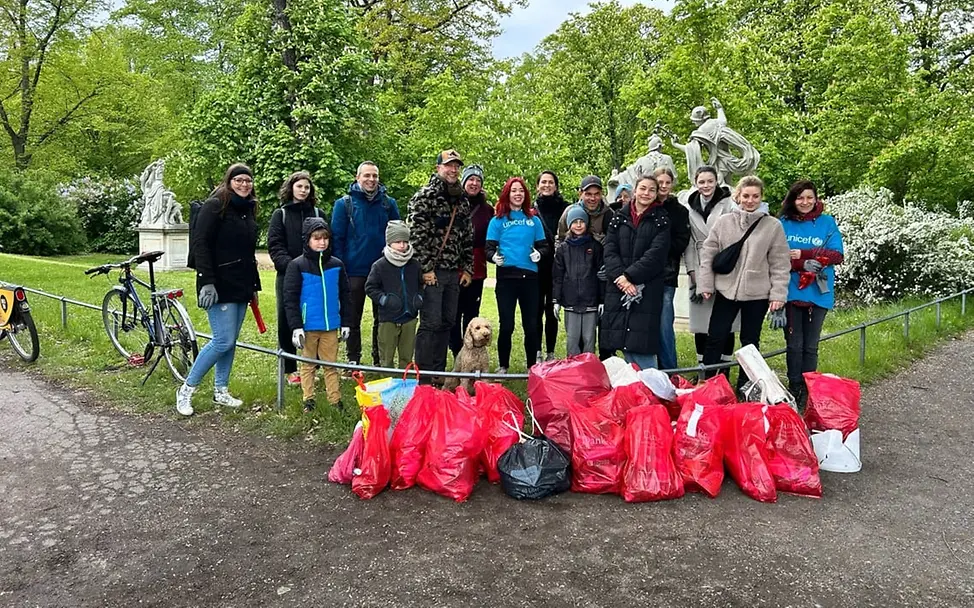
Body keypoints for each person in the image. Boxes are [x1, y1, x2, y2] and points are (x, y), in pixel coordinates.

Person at [176, 163, 261, 417]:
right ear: (229, 181)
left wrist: (253, 286)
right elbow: (200, 244)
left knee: (230, 342)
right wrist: (206, 281)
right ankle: (186, 389)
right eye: (239, 180)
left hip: (241, 283)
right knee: (222, 340)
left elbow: (247, 252)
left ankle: (220, 390)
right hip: (218, 283)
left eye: (248, 180)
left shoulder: (248, 209)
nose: (244, 184)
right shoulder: (215, 205)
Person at [696, 175, 791, 392]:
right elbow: (709, 252)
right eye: (746, 196)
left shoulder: (772, 226)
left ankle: (746, 386)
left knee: (750, 342)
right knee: (715, 337)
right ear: (738, 196)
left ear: (761, 197)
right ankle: (709, 384)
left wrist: (778, 295)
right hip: (726, 290)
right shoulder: (724, 222)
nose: (750, 200)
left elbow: (779, 262)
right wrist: (706, 285)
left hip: (757, 293)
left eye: (755, 196)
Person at [407, 150, 474, 384]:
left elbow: (467, 236)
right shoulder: (425, 196)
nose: (453, 170)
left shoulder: (462, 199)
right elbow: (416, 237)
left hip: (453, 272)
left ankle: (439, 373)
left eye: (456, 166)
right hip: (432, 272)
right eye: (448, 165)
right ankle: (423, 375)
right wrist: (425, 269)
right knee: (430, 323)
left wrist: (467, 268)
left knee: (447, 322)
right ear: (438, 168)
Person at [779, 180, 844, 406]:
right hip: (790, 291)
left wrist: (804, 254)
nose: (805, 202)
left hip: (819, 292)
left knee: (811, 345)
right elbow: (775, 256)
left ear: (816, 198)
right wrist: (799, 265)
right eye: (800, 198)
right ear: (792, 200)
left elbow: (837, 255)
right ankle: (794, 385)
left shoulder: (827, 222)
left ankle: (809, 386)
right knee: (794, 344)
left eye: (809, 197)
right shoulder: (783, 223)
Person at [331, 161, 400, 367]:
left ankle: (379, 359)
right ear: (357, 177)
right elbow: (337, 238)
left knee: (383, 318)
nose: (371, 180)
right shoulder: (344, 204)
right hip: (353, 270)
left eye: (375, 176)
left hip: (383, 270)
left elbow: (397, 236)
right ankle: (353, 359)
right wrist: (340, 269)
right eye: (367, 176)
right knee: (353, 317)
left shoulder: (389, 204)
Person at [600, 175, 671, 370]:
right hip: (619, 287)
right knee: (621, 338)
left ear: (656, 194)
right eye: (643, 188)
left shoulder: (661, 220)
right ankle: (627, 391)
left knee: (642, 342)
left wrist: (630, 276)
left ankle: (648, 389)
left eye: (651, 190)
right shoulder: (618, 217)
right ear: (635, 190)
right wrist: (621, 279)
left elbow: (656, 255)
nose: (646, 193)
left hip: (646, 287)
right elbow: (610, 250)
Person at [284, 218, 352, 412]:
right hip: (308, 326)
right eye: (316, 238)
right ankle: (309, 399)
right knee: (308, 365)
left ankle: (335, 400)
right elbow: (290, 299)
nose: (322, 242)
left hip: (331, 326)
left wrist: (346, 322)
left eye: (325, 238)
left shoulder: (337, 265)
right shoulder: (296, 266)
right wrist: (296, 327)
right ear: (307, 240)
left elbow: (345, 295)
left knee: (331, 365)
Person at [267, 171, 325, 385]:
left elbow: (326, 243)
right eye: (299, 186)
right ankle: (290, 369)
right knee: (288, 320)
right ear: (291, 188)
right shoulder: (280, 214)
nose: (303, 190)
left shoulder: (318, 213)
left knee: (314, 319)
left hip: (314, 276)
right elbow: (275, 246)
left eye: (307, 187)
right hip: (288, 275)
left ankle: (312, 365)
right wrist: (293, 267)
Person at [485, 177, 549, 373]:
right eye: (514, 191)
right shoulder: (497, 220)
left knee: (531, 325)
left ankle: (532, 366)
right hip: (506, 279)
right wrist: (494, 257)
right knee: (507, 325)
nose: (518, 194)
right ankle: (503, 365)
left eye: (521, 191)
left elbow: (545, 246)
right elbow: (488, 248)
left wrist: (539, 254)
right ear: (507, 194)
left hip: (529, 279)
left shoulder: (533, 220)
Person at [683, 165, 738, 371]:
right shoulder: (689, 206)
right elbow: (689, 243)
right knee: (701, 323)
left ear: (717, 181)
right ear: (695, 184)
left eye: (710, 181)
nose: (706, 186)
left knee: (726, 323)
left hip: (724, 265)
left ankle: (724, 369)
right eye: (701, 182)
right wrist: (692, 272)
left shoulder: (730, 205)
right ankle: (703, 370)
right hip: (698, 266)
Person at [366, 221, 424, 369]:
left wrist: (419, 298)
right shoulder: (379, 265)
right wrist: (384, 300)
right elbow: (370, 287)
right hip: (388, 318)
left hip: (410, 317)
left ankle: (406, 383)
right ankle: (387, 383)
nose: (402, 245)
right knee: (387, 356)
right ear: (390, 242)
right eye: (398, 242)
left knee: (407, 356)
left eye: (405, 241)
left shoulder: (415, 265)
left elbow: (420, 285)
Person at [450, 164, 493, 358]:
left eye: (478, 180)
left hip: (477, 266)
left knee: (471, 311)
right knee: (453, 312)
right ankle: (456, 350)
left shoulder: (487, 210)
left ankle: (471, 354)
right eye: (470, 179)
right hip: (454, 264)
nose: (474, 183)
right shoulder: (453, 202)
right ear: (464, 181)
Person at [553, 205, 604, 356]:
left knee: (589, 339)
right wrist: (556, 300)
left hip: (591, 301)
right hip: (570, 301)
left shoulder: (595, 247)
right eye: (575, 221)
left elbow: (601, 275)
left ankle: (588, 372)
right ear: (569, 225)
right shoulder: (563, 249)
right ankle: (573, 372)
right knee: (572, 340)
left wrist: (602, 300)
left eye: (582, 221)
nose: (579, 224)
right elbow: (557, 276)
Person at [654, 167, 691, 371]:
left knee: (664, 324)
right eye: (660, 182)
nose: (664, 186)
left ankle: (669, 369)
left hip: (666, 274)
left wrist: (658, 246)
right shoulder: (645, 206)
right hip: (643, 274)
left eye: (668, 182)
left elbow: (681, 242)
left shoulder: (679, 211)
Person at [534, 170, 567, 362]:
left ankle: (551, 352)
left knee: (552, 309)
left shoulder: (565, 208)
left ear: (556, 186)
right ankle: (537, 350)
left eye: (550, 182)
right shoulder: (531, 209)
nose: (547, 185)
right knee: (536, 309)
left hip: (558, 264)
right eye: (543, 182)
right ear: (538, 186)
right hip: (537, 265)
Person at [556, 175, 614, 247]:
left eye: (596, 194)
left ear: (601, 194)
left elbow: (614, 242)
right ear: (580, 194)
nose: (593, 198)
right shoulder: (570, 212)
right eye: (588, 194)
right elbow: (560, 239)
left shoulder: (609, 214)